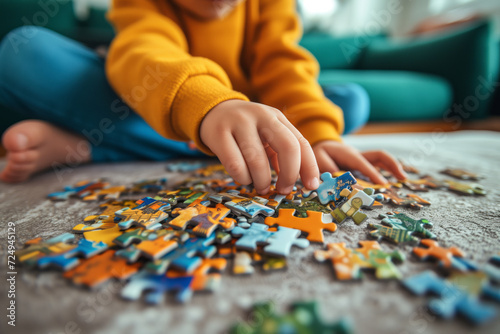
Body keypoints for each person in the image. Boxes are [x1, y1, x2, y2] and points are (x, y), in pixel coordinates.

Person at [0, 0, 407, 193]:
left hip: (248, 109)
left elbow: (284, 66)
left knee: (349, 102)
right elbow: (144, 51)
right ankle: (233, 139)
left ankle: (94, 147)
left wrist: (319, 135)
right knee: (24, 50)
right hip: (154, 101)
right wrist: (211, 105)